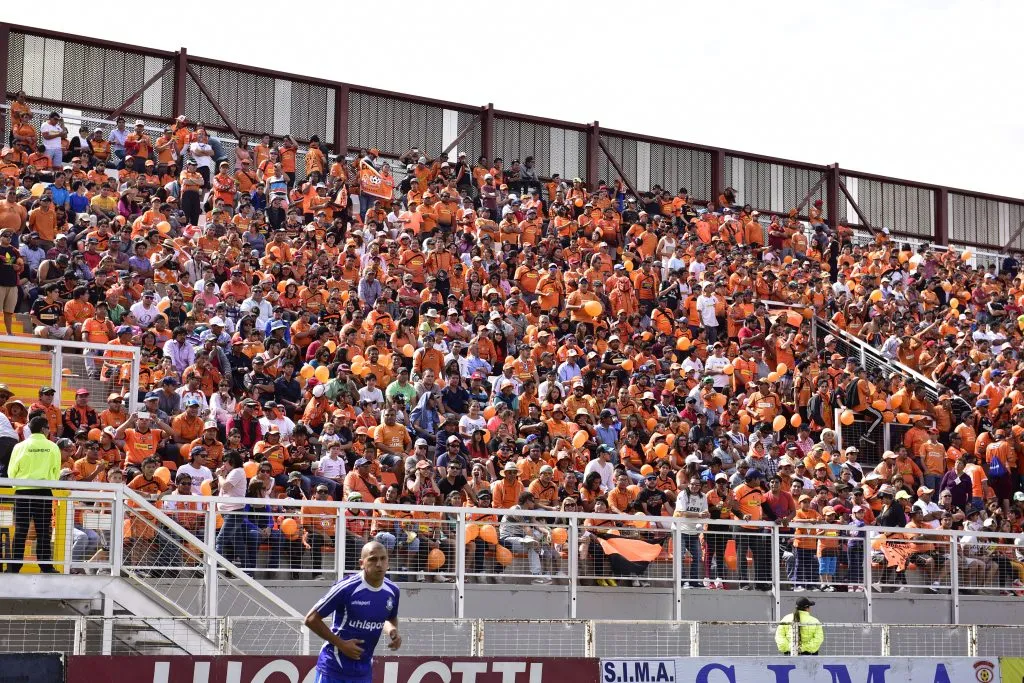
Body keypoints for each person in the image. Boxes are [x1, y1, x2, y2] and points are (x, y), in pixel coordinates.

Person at [303, 541, 401, 683]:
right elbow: (311, 619)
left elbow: (388, 618)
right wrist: (341, 644)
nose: (379, 564)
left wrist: (392, 630)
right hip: (333, 668)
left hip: (363, 671)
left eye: (383, 558)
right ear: (362, 563)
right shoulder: (347, 588)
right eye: (373, 559)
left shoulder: (393, 591)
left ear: (388, 562)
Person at [6, 416, 61, 573]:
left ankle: (13, 567)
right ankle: (46, 567)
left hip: (23, 492)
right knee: (43, 530)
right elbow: (55, 473)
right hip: (44, 492)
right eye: (48, 428)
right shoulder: (52, 447)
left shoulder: (20, 446)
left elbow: (11, 472)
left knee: (21, 530)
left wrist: (19, 485)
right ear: (44, 429)